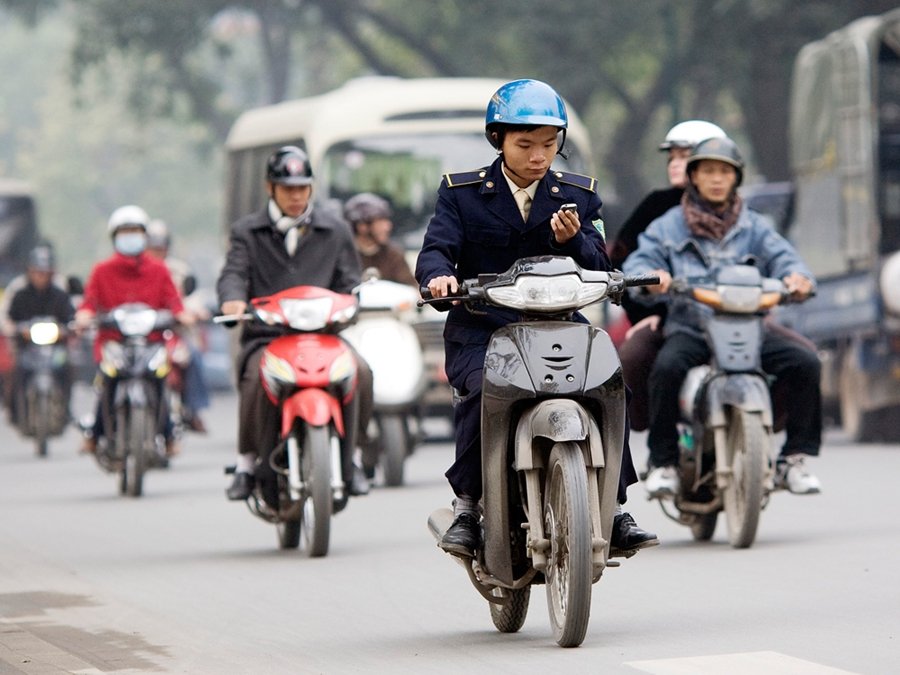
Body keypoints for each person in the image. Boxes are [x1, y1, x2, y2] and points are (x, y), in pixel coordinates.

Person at [415, 78, 658, 558]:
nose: (538, 155)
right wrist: (440, 278)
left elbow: (602, 269)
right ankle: (467, 507)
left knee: (611, 386)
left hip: (559, 326)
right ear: (498, 140)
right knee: (485, 392)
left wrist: (573, 241)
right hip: (482, 329)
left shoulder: (578, 195)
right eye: (525, 144)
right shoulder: (460, 195)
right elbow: (436, 252)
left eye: (549, 144)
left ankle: (612, 507)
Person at [623, 136, 823, 496]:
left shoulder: (755, 226)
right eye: (708, 171)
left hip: (750, 327)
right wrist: (654, 278)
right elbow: (640, 261)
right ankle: (664, 462)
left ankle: (793, 459)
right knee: (666, 369)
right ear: (693, 177)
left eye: (725, 172)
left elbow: (786, 259)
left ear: (736, 178)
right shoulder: (667, 225)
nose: (717, 179)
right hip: (691, 326)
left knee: (806, 361)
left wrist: (797, 279)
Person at [217, 145, 372, 501]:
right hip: (267, 337)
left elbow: (351, 282)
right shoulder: (247, 232)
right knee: (256, 378)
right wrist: (233, 299)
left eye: (303, 187)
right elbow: (234, 274)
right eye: (288, 188)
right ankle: (245, 462)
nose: (296, 196)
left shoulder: (335, 230)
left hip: (325, 337)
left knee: (361, 372)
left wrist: (352, 303)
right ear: (270, 188)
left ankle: (356, 458)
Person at [610, 120, 726, 430]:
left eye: (684, 156)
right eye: (672, 157)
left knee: (800, 357)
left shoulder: (740, 213)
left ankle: (787, 453)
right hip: (673, 319)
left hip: (735, 316)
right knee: (634, 359)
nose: (675, 164)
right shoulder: (656, 210)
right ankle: (664, 446)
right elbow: (622, 265)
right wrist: (647, 311)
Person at [76, 205, 191, 457]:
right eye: (125, 231)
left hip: (152, 343)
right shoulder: (101, 270)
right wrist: (84, 316)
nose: (130, 236)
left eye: (135, 231)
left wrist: (183, 314)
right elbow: (88, 303)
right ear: (114, 236)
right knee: (106, 382)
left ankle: (168, 434)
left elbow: (174, 302)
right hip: (113, 343)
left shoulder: (159, 270)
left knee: (161, 380)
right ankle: (95, 434)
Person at [146, 219, 211, 433]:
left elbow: (184, 302)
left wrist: (191, 313)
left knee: (192, 356)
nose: (157, 252)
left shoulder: (177, 271)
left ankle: (193, 408)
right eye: (152, 248)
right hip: (143, 335)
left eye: (160, 248)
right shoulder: (137, 272)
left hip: (173, 332)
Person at [2, 243, 75, 425]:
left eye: (45, 272)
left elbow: (70, 317)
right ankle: (16, 412)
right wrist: (15, 329)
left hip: (54, 348)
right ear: (30, 271)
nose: (41, 276)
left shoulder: (60, 292)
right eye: (37, 272)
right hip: (27, 347)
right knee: (17, 372)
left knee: (67, 368)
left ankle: (65, 409)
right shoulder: (18, 291)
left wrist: (68, 329)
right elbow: (7, 317)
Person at [343, 192, 417, 286]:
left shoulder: (393, 255)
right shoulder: (343, 256)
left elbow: (411, 289)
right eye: (381, 221)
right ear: (362, 226)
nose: (388, 227)